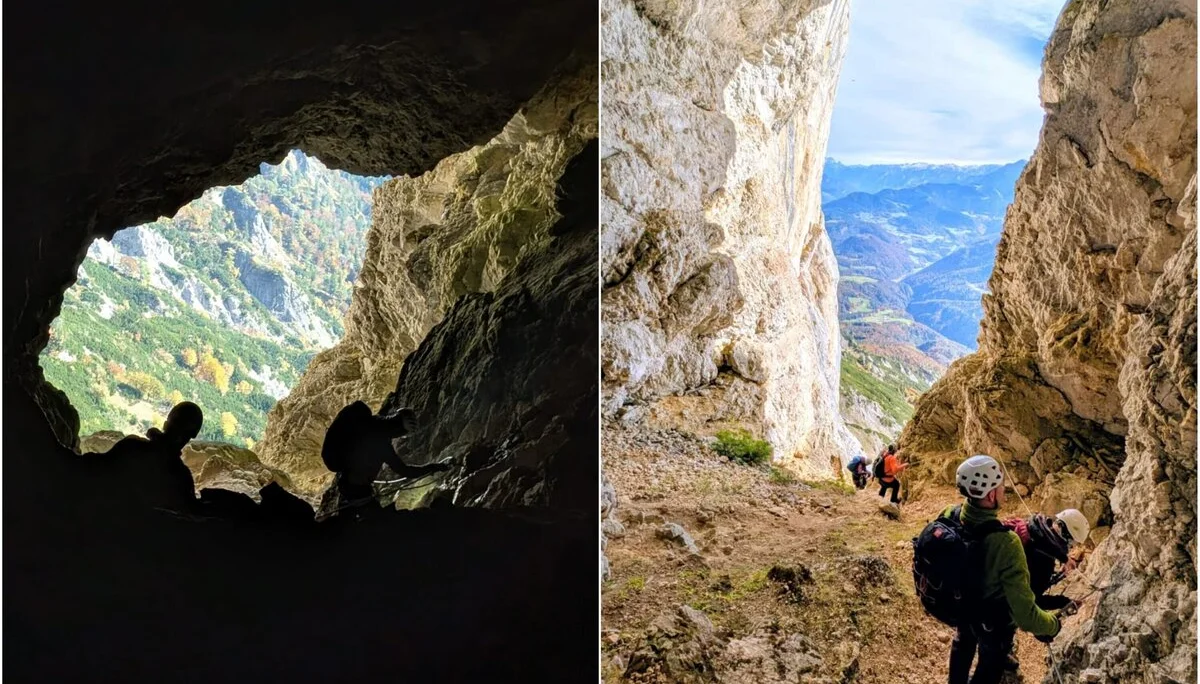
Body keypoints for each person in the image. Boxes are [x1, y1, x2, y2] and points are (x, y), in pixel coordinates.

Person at [942, 455, 1061, 684]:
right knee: (989, 664)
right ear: (990, 494)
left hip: (961, 608)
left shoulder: (950, 514)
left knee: (963, 641)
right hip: (991, 623)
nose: (1004, 490)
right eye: (1000, 486)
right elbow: (1025, 615)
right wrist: (1053, 625)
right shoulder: (1007, 543)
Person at [319, 400, 451, 517]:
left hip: (347, 489)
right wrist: (436, 467)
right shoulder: (381, 441)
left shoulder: (371, 424)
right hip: (359, 494)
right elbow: (405, 471)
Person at [998, 508, 1088, 671]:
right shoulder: (1044, 558)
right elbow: (1032, 599)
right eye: (1073, 542)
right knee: (998, 638)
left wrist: (1057, 573)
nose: (1071, 547)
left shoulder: (1035, 527)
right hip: (1000, 601)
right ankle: (999, 656)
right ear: (1067, 536)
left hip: (991, 582)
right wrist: (1066, 602)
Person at [89, 401, 204, 512]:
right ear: (191, 436)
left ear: (166, 424)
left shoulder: (131, 447)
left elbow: (96, 469)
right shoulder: (182, 477)